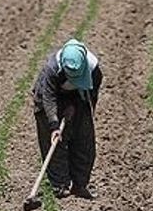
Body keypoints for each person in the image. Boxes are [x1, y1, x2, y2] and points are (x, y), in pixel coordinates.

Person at [32, 38, 101, 199]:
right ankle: (60, 185)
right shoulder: (51, 70)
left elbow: (92, 95)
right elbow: (48, 98)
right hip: (50, 101)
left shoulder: (94, 69)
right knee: (55, 143)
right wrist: (54, 126)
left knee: (84, 141)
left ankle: (79, 184)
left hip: (79, 98)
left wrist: (77, 106)